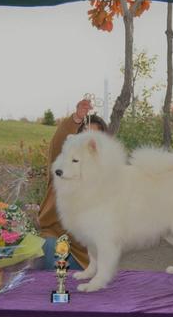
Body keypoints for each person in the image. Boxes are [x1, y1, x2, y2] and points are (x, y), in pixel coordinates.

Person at [36, 99, 107, 270]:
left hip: (87, 253)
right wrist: (76, 118)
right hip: (55, 236)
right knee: (49, 248)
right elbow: (59, 140)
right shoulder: (61, 163)